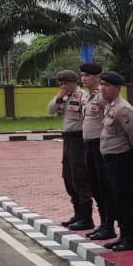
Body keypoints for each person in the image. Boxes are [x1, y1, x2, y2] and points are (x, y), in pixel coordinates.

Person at [97, 70, 133, 252]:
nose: (102, 88)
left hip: (122, 160)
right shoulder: (110, 106)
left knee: (125, 198)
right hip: (111, 160)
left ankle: (130, 237)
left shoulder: (123, 109)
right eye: (102, 84)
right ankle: (123, 234)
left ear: (117, 88)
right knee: (116, 198)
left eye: (106, 85)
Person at [49, 69, 91, 228]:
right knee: (68, 176)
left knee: (79, 176)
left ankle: (86, 218)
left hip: (78, 139)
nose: (63, 86)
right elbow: (50, 110)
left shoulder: (83, 97)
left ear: (74, 83)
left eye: (65, 83)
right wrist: (59, 97)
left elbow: (89, 118)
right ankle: (77, 213)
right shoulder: (63, 98)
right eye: (61, 83)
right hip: (67, 139)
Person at [80, 62, 113, 240]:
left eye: (88, 75)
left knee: (103, 186)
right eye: (82, 75)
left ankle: (108, 225)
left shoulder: (102, 97)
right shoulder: (87, 97)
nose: (84, 78)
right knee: (94, 186)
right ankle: (103, 223)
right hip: (88, 145)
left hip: (100, 145)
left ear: (97, 78)